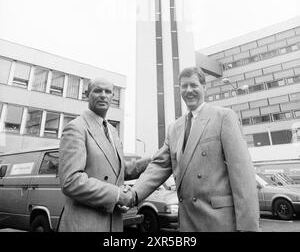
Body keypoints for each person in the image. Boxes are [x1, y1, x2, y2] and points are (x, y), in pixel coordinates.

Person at [123, 67, 260, 232]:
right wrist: (133, 195)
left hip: (219, 223)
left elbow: (242, 176)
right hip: (187, 223)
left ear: (204, 87)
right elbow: (158, 166)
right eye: (184, 86)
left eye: (193, 85)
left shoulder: (223, 117)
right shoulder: (174, 128)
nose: (188, 90)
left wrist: (248, 227)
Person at [58, 76, 149, 232]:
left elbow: (117, 170)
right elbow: (71, 181)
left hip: (112, 223)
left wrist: (150, 162)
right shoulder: (76, 128)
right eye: (97, 90)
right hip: (85, 225)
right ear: (87, 94)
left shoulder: (112, 131)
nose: (103, 95)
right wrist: (117, 195)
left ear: (113, 97)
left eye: (108, 92)